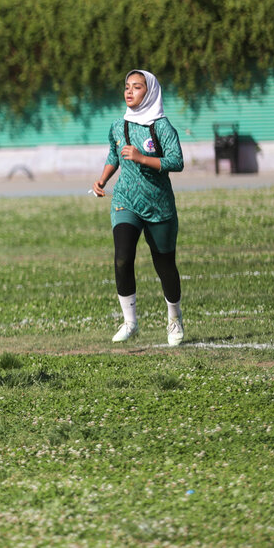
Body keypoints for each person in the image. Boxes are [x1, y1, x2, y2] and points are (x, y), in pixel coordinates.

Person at [91, 69, 185, 346]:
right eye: (127, 87)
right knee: (122, 257)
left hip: (158, 205)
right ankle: (130, 322)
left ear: (150, 92)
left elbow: (177, 161)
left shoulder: (162, 127)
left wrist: (143, 158)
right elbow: (114, 154)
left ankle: (174, 320)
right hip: (125, 201)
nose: (129, 92)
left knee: (164, 265)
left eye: (137, 87)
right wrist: (102, 179)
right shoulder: (118, 125)